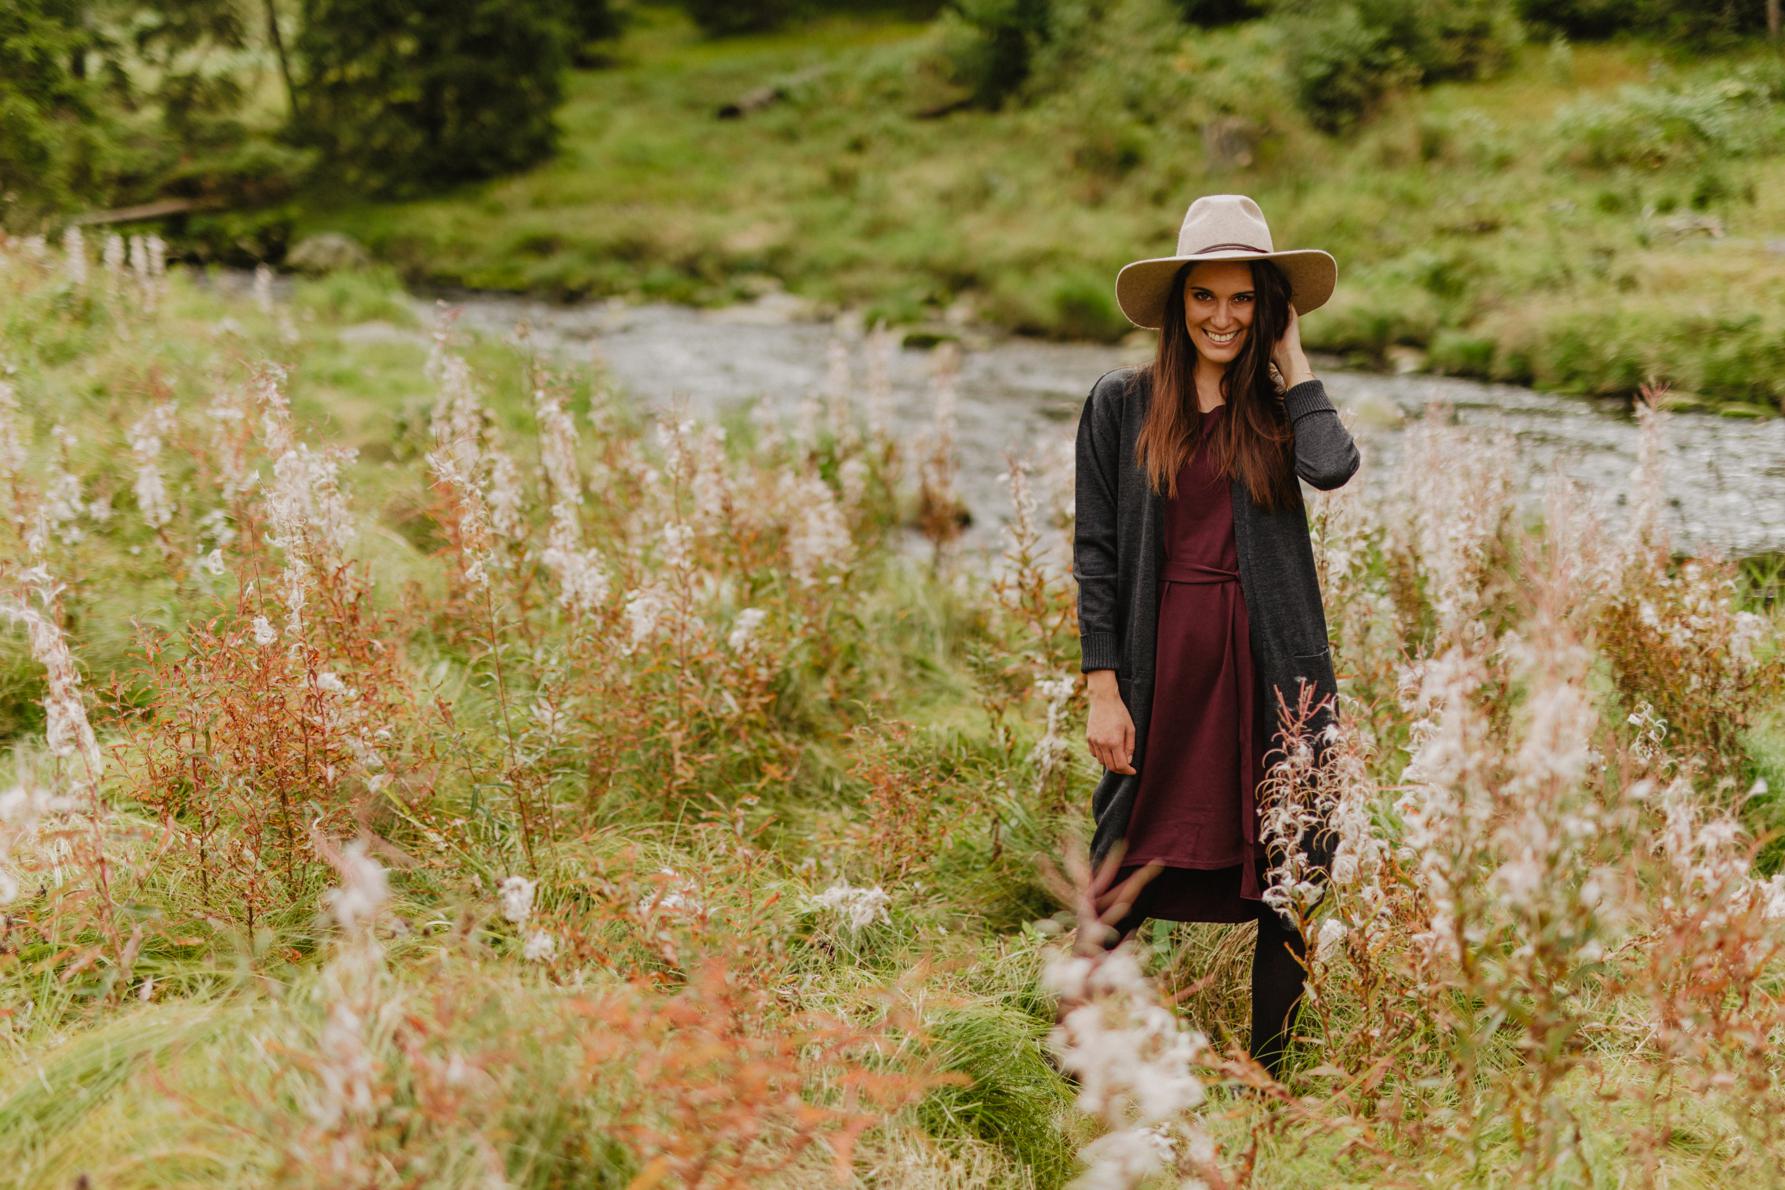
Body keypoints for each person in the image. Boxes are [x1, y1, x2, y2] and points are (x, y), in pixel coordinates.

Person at [1071, 194, 1360, 1078]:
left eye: (1244, 299)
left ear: (1266, 309)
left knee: (1288, 854)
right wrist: (1103, 685)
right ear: (1177, 303)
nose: (1222, 317)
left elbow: (1333, 467)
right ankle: (1085, 1057)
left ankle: (1269, 1069)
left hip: (1272, 662)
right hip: (1165, 665)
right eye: (1204, 297)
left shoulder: (1282, 411)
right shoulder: (1121, 403)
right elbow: (1096, 553)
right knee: (1122, 857)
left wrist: (1295, 360)